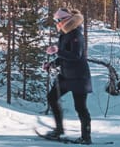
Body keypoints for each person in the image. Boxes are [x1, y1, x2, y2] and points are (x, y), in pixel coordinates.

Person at [43, 8, 92, 144]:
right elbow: (64, 56)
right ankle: (59, 130)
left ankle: (86, 137)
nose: (57, 23)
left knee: (80, 107)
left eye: (59, 20)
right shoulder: (65, 34)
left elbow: (76, 55)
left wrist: (58, 51)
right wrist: (52, 64)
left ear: (66, 20)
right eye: (56, 21)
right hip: (65, 76)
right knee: (52, 98)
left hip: (79, 77)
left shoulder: (76, 34)